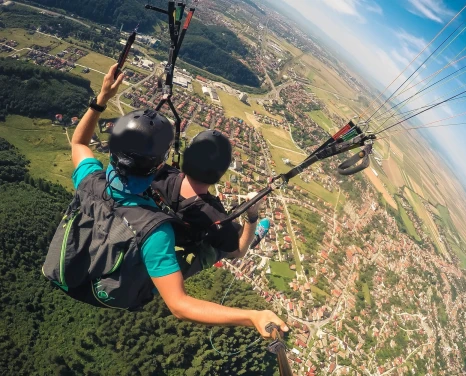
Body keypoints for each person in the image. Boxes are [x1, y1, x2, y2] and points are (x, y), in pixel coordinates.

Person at [42, 64, 288, 338]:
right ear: (155, 167)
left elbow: (79, 144)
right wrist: (252, 316)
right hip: (110, 291)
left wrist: (102, 99)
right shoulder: (156, 232)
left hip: (71, 269)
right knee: (208, 252)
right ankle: (244, 234)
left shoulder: (91, 179)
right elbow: (180, 305)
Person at [151, 130, 264, 277]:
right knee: (225, 241)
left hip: (155, 233)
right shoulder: (214, 216)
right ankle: (250, 235)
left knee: (231, 228)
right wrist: (252, 215)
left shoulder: (161, 175)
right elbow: (239, 252)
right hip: (183, 246)